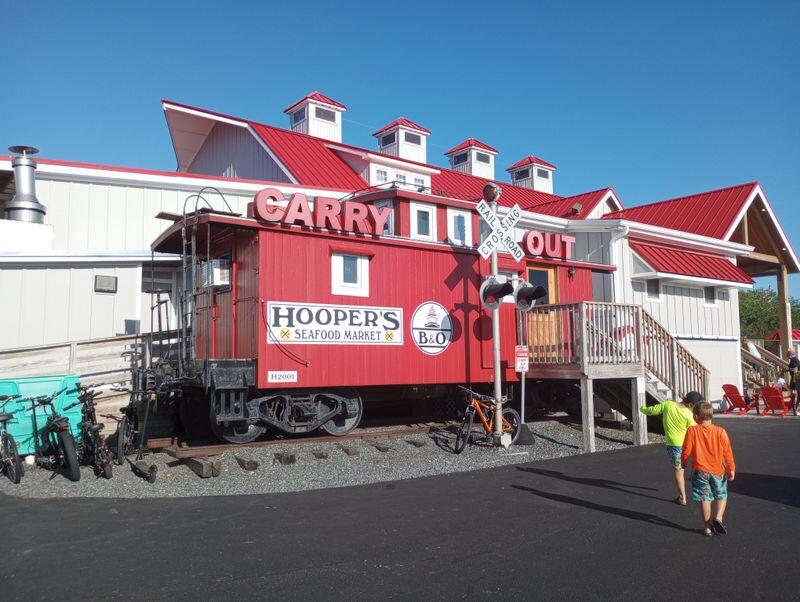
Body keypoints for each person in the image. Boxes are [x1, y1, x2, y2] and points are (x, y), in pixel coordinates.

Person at [681, 401, 736, 537]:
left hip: (700, 471)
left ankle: (707, 528)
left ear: (696, 416)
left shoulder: (692, 430)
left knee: (705, 498)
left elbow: (686, 449)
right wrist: (731, 468)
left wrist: (683, 462)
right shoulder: (720, 431)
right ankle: (719, 518)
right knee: (721, 495)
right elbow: (727, 452)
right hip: (718, 471)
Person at [640, 391, 703, 505]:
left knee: (679, 471)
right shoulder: (688, 415)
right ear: (690, 405)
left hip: (674, 446)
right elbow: (696, 430)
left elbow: (651, 410)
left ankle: (682, 498)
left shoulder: (667, 405)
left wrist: (642, 408)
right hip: (687, 446)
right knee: (692, 467)